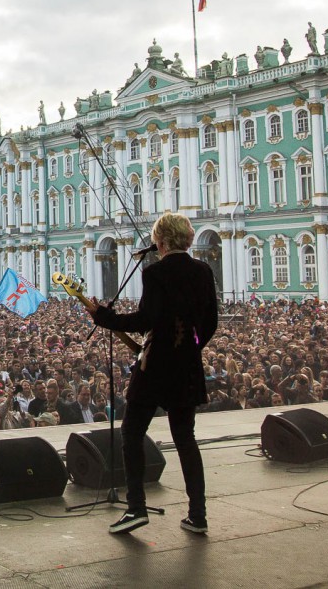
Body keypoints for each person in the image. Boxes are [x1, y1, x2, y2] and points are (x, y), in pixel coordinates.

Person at [86, 212, 217, 535]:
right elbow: (210, 322)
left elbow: (145, 320)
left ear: (160, 241)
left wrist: (103, 316)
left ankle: (136, 508)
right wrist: (190, 346)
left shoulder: (155, 272)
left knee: (131, 432)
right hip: (187, 367)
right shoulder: (203, 270)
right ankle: (197, 515)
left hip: (155, 365)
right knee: (186, 438)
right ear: (185, 239)